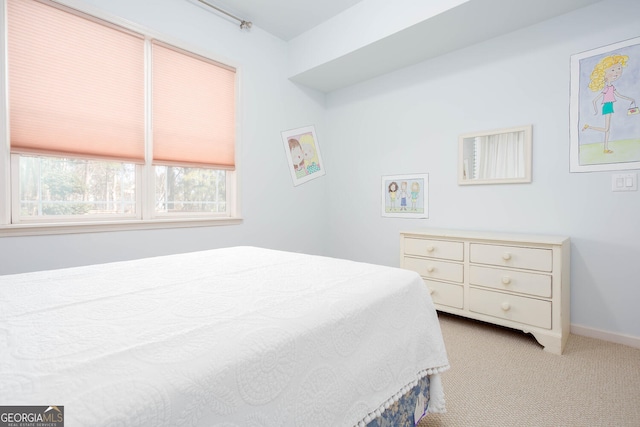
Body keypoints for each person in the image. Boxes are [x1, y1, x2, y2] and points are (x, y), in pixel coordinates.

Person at [582, 54, 635, 153]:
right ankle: (589, 127)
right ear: (604, 73)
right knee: (606, 129)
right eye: (613, 70)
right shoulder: (606, 88)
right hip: (607, 106)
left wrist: (630, 99)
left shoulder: (611, 87)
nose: (617, 73)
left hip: (609, 105)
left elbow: (619, 95)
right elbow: (595, 100)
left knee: (608, 129)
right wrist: (596, 110)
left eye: (618, 69)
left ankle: (605, 149)